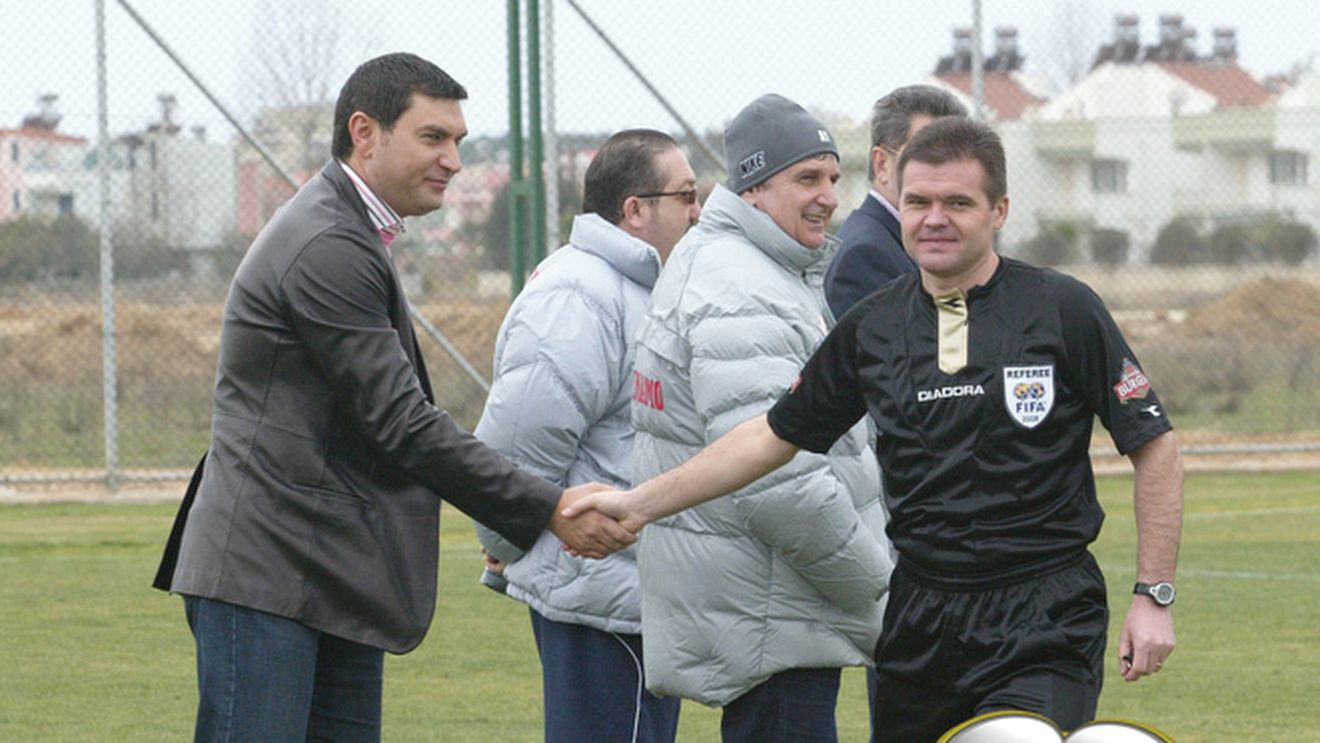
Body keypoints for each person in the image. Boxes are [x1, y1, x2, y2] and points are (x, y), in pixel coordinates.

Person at [566, 118, 1184, 743]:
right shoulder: (872, 326)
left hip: (1042, 611)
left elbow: (1153, 444)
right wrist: (635, 504)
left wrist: (1153, 595)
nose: (934, 218)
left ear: (999, 210)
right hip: (918, 616)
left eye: (957, 203)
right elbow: (767, 439)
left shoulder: (1062, 308)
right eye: (918, 202)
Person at [151, 53, 633, 743]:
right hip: (266, 572)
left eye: (459, 141)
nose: (455, 159)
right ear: (365, 133)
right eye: (433, 137)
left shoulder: (349, 230)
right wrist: (545, 508)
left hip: (321, 571)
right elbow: (401, 422)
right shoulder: (326, 242)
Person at [626, 93, 893, 743]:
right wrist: (886, 594)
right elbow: (778, 482)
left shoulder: (755, 269)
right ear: (752, 186)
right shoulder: (740, 288)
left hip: (771, 606)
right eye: (806, 177)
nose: (829, 195)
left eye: (833, 176)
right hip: (774, 614)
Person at [472, 129, 699, 743]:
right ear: (635, 209)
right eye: (686, 195)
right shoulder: (581, 295)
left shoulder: (632, 288)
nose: (698, 211)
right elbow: (515, 449)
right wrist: (510, 536)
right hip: (598, 594)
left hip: (627, 590)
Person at [823, 85, 966, 320]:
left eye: (955, 158)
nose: (943, 172)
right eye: (926, 156)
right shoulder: (864, 257)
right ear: (882, 165)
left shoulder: (910, 239)